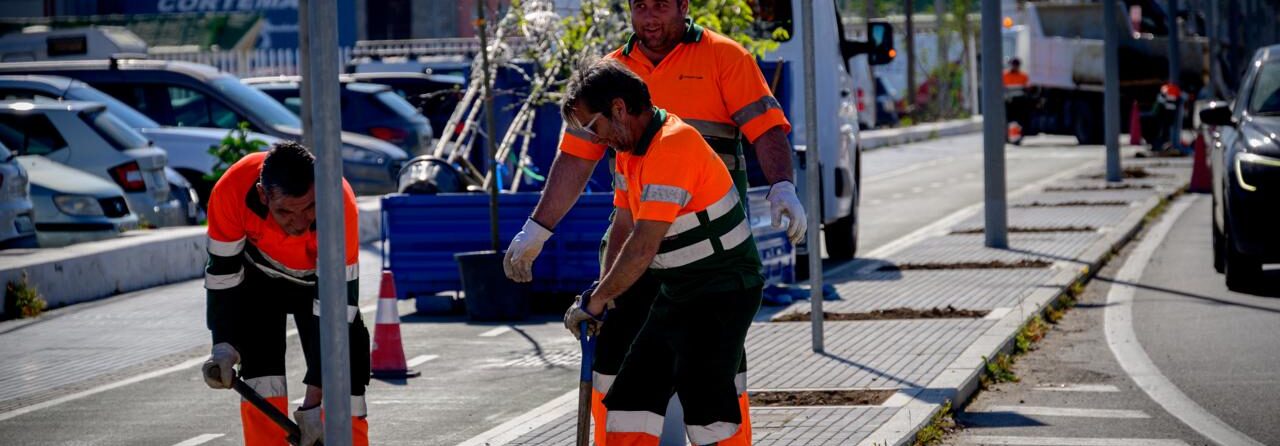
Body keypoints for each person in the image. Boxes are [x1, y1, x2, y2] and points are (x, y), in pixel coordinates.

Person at [503, 1, 804, 443]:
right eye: (639, 6)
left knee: (713, 377)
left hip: (706, 258)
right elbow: (578, 163)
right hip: (642, 250)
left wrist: (782, 185)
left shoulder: (724, 59)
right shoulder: (607, 81)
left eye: (661, 5)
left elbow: (766, 130)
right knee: (618, 362)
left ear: (683, 6)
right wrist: (538, 231)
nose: (649, 17)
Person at [561, 58, 764, 446]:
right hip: (682, 290)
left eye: (593, 127)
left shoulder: (672, 147)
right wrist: (605, 296)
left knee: (707, 409)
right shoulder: (629, 149)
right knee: (630, 401)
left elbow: (642, 246)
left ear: (619, 109)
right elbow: (622, 225)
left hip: (724, 289)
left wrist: (600, 300)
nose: (595, 138)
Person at [200, 142, 370, 446]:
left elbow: (338, 311)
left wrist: (313, 404)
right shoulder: (233, 189)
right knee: (262, 381)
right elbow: (223, 275)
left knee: (344, 379)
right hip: (259, 286)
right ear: (264, 196)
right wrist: (223, 346)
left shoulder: (339, 204)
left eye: (309, 208)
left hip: (321, 288)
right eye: (285, 212)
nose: (299, 222)